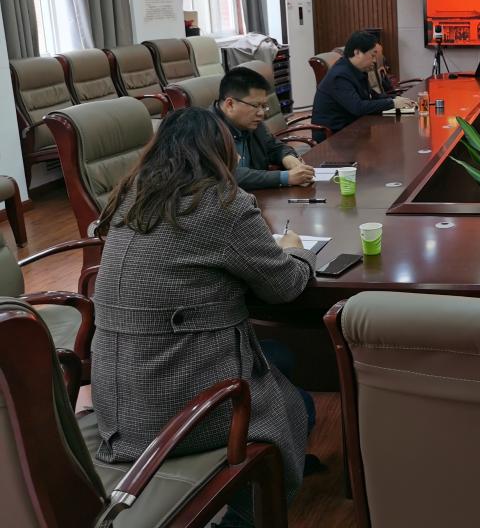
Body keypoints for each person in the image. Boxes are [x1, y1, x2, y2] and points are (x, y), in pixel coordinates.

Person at [91, 107, 317, 526]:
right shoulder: (222, 203)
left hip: (117, 400)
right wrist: (296, 250)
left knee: (279, 357)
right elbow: (285, 287)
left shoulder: (129, 195)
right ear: (219, 152)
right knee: (299, 406)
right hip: (178, 413)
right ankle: (242, 518)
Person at [212, 67, 315, 190]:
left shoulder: (251, 123)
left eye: (264, 106)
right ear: (230, 104)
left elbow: (274, 147)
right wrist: (285, 177)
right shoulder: (205, 129)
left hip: (256, 197)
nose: (261, 113)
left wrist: (289, 158)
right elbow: (228, 175)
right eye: (256, 105)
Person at [312, 30, 415, 134]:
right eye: (372, 55)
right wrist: (392, 103)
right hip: (334, 136)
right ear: (357, 53)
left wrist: (396, 99)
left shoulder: (356, 70)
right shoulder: (340, 75)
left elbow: (372, 96)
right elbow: (358, 107)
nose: (374, 61)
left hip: (352, 128)